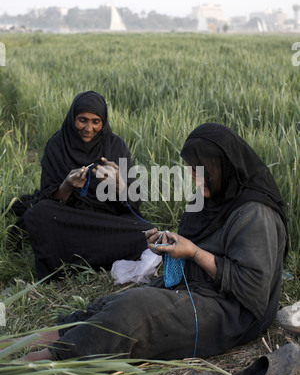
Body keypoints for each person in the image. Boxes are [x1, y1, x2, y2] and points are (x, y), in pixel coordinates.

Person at [14, 122, 288, 362]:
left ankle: (46, 359)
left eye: (201, 170)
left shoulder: (255, 213)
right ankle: (27, 341)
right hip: (199, 285)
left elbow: (253, 289)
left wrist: (192, 252)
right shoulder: (211, 193)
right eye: (191, 169)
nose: (194, 177)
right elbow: (197, 243)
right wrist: (169, 242)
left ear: (224, 167)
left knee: (133, 312)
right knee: (114, 303)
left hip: (233, 310)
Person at [17, 91, 152, 280]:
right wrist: (67, 186)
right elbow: (48, 198)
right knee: (38, 214)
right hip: (72, 217)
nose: (89, 128)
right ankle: (94, 257)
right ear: (73, 118)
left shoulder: (115, 146)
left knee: (145, 232)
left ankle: (72, 256)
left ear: (103, 122)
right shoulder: (56, 146)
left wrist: (119, 184)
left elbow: (134, 203)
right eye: (82, 120)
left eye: (96, 121)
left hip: (108, 219)